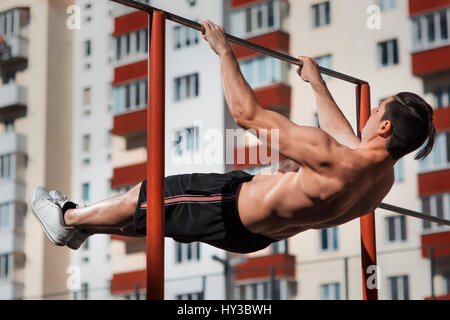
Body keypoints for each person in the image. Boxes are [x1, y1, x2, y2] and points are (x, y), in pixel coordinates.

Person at [30, 21, 436, 253]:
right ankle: (81, 228)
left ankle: (67, 218)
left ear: (384, 128)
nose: (369, 113)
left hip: (226, 205)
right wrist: (317, 84)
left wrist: (225, 53)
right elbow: (347, 139)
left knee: (149, 196)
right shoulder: (382, 181)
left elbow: (247, 115)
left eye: (377, 109)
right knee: (156, 218)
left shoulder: (332, 157)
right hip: (255, 236)